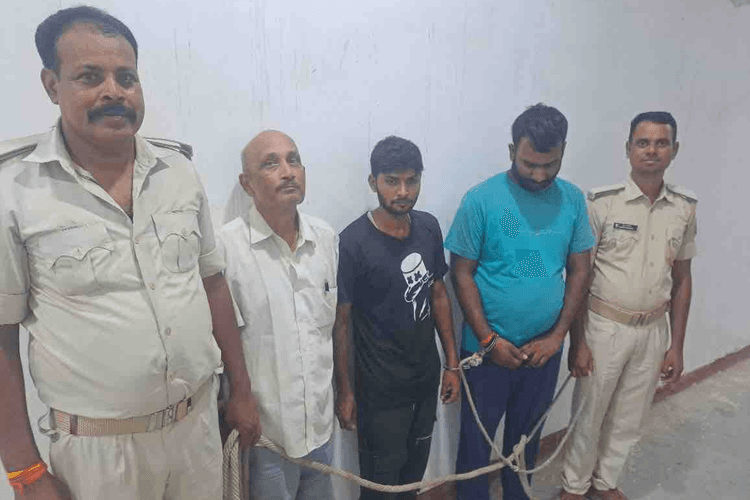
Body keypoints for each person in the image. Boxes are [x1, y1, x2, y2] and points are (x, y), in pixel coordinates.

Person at [0, 6, 260, 499]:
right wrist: (24, 471)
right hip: (99, 455)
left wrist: (243, 392)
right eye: (89, 77)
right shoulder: (15, 191)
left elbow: (212, 284)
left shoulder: (178, 172)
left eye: (126, 77)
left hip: (197, 431)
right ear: (52, 85)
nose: (113, 92)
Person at [445, 103, 594, 500]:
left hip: (543, 351)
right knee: (476, 447)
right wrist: (488, 339)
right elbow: (461, 273)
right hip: (487, 352)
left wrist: (560, 338)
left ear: (563, 152)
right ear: (512, 150)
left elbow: (580, 271)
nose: (540, 175)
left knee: (525, 442)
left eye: (551, 164)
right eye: (529, 164)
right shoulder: (481, 200)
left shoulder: (572, 200)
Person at [559, 112, 696, 500]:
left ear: (674, 150)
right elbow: (579, 276)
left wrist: (676, 345)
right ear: (628, 148)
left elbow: (683, 280)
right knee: (589, 413)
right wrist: (578, 341)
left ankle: (606, 482)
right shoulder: (602, 204)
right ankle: (574, 487)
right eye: (643, 142)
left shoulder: (684, 208)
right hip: (605, 326)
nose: (652, 150)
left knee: (630, 416)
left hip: (653, 330)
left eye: (661, 143)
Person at [333, 135, 461, 500]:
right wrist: (345, 391)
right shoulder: (352, 242)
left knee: (412, 478)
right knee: (380, 484)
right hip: (379, 390)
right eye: (392, 181)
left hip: (425, 378)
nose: (403, 192)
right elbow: (341, 323)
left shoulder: (428, 227)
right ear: (373, 182)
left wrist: (451, 364)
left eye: (411, 180)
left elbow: (439, 294)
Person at [219, 130, 338, 500]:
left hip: (321, 427)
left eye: (294, 160)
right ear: (247, 184)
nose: (288, 172)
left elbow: (328, 329)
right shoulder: (227, 248)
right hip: (266, 436)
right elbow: (221, 344)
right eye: (270, 164)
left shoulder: (325, 238)